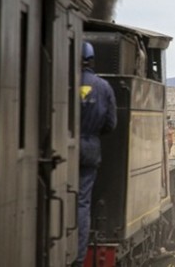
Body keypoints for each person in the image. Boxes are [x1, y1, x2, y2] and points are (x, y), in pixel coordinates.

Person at [74, 42, 117, 267]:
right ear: (91, 60)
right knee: (82, 203)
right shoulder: (103, 87)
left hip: (61, 146)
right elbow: (110, 124)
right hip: (90, 148)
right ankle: (78, 258)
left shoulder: (61, 81)